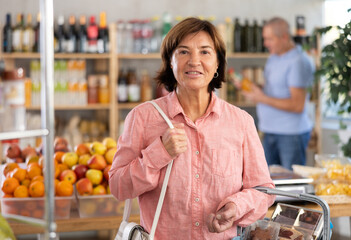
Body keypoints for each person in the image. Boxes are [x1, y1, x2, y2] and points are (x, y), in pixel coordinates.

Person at [109, 17, 275, 240]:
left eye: (205, 52)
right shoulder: (142, 117)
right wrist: (160, 153)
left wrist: (236, 207)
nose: (194, 61)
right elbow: (119, 187)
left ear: (218, 63)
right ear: (171, 61)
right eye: (184, 52)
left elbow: (262, 190)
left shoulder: (241, 121)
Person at [239, 17, 315, 170]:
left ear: (284, 37)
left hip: (290, 135)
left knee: (290, 187)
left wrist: (261, 98)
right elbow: (274, 88)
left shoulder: (299, 61)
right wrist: (253, 87)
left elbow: (297, 105)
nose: (265, 43)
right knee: (269, 182)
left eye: (269, 39)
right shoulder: (274, 57)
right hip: (269, 130)